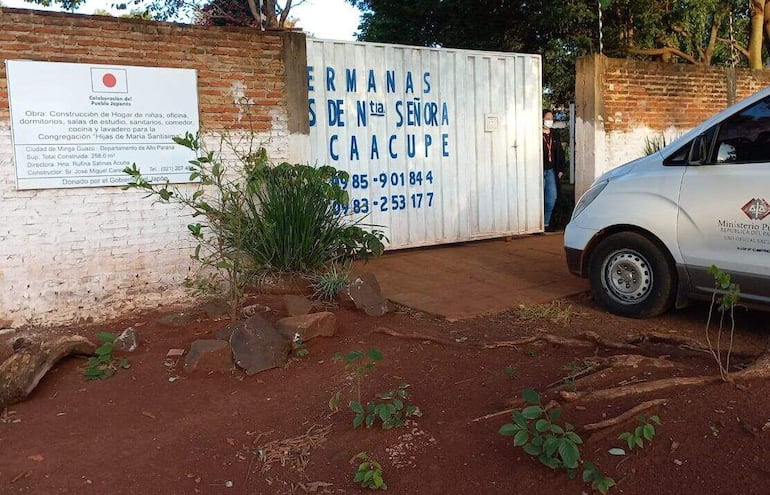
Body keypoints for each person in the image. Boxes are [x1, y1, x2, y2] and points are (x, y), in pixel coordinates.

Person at [542, 109, 565, 232]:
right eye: (547, 118)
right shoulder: (536, 135)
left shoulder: (554, 134)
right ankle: (537, 223)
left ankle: (546, 222)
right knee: (539, 198)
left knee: (552, 197)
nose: (549, 121)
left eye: (551, 119)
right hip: (540, 170)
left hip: (551, 170)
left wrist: (561, 169)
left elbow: (560, 152)